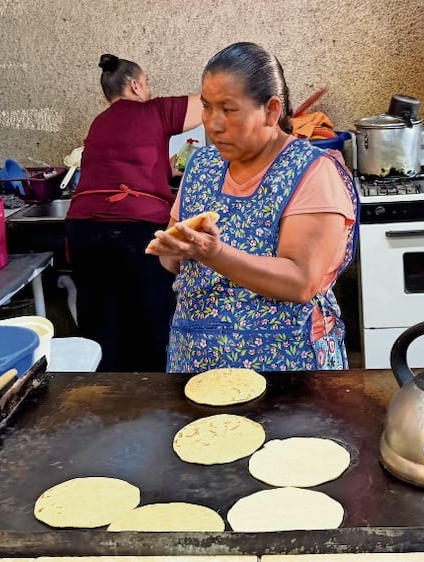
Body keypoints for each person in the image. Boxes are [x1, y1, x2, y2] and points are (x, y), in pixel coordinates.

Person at [146, 42, 358, 372]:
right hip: (196, 362)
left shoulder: (310, 172)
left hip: (288, 369)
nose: (213, 124)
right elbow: (172, 261)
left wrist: (214, 254)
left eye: (228, 109)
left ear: (271, 111)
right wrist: (176, 249)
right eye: (207, 107)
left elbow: (300, 282)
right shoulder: (202, 166)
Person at [65, 54, 204, 371]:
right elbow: (214, 97)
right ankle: (152, 393)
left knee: (101, 323)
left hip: (83, 230)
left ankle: (103, 393)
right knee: (150, 322)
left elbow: (121, 169)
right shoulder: (153, 110)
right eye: (147, 82)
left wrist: (164, 169)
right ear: (135, 85)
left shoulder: (99, 123)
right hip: (136, 230)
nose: (150, 89)